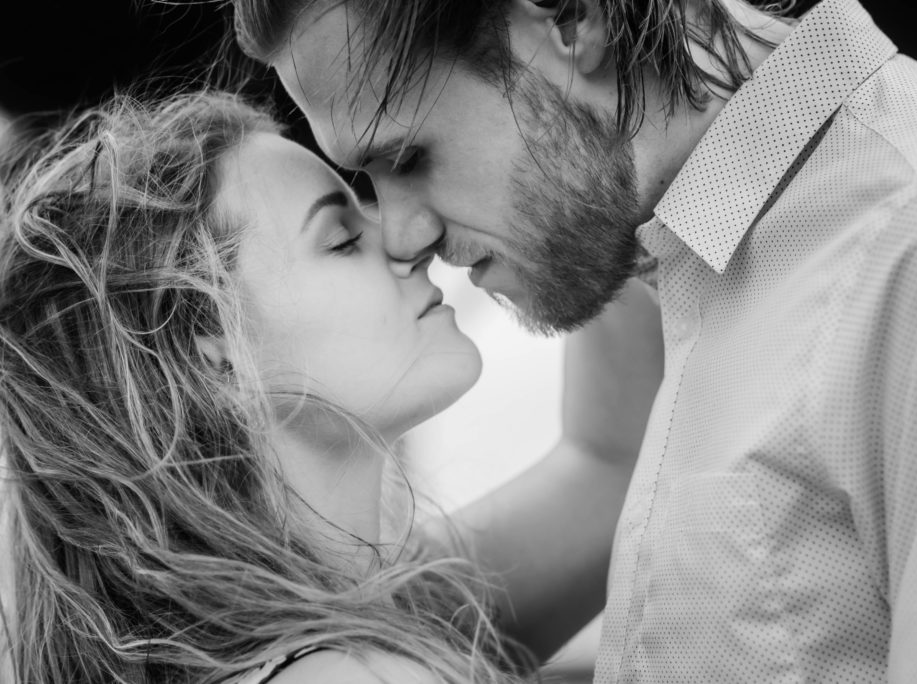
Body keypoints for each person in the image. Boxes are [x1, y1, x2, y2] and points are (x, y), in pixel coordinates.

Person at [231, 0, 917, 681]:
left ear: (574, 18)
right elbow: (600, 468)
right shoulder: (674, 236)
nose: (400, 232)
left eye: (409, 157)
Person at [0, 89, 660, 683]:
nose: (409, 239)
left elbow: (614, 463)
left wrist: (583, 154)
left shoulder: (368, 621)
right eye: (342, 236)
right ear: (214, 351)